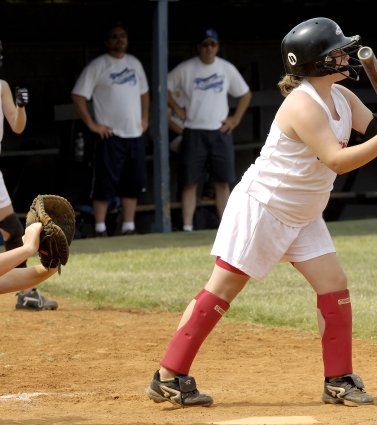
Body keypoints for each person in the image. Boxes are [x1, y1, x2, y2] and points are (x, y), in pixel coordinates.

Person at [146, 17, 377, 408]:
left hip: (304, 213)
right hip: (265, 208)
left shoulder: (342, 97)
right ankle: (168, 376)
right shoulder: (302, 104)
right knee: (222, 289)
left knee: (334, 285)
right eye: (336, 53)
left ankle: (338, 379)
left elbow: (373, 129)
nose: (344, 57)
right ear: (315, 62)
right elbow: (337, 160)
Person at [167, 28, 252, 232]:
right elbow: (163, 87)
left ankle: (226, 228)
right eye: (205, 44)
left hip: (219, 131)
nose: (209, 48)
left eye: (212, 44)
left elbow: (245, 94)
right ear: (198, 47)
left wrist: (235, 120)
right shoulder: (186, 68)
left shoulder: (226, 68)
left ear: (217, 47)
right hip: (193, 131)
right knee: (189, 182)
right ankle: (187, 227)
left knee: (223, 182)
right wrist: (177, 108)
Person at [71, 21, 150, 237]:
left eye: (123, 35)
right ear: (107, 42)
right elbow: (78, 95)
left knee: (132, 182)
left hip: (134, 134)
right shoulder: (98, 65)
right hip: (110, 135)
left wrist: (145, 118)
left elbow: (144, 92)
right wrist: (92, 124)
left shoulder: (134, 63)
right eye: (115, 36)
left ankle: (128, 226)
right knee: (104, 183)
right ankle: (100, 228)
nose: (119, 39)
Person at [0, 40, 58, 310]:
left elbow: (17, 126)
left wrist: (20, 105)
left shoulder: (2, 86)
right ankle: (26, 290)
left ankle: (26, 292)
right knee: (12, 230)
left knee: (12, 229)